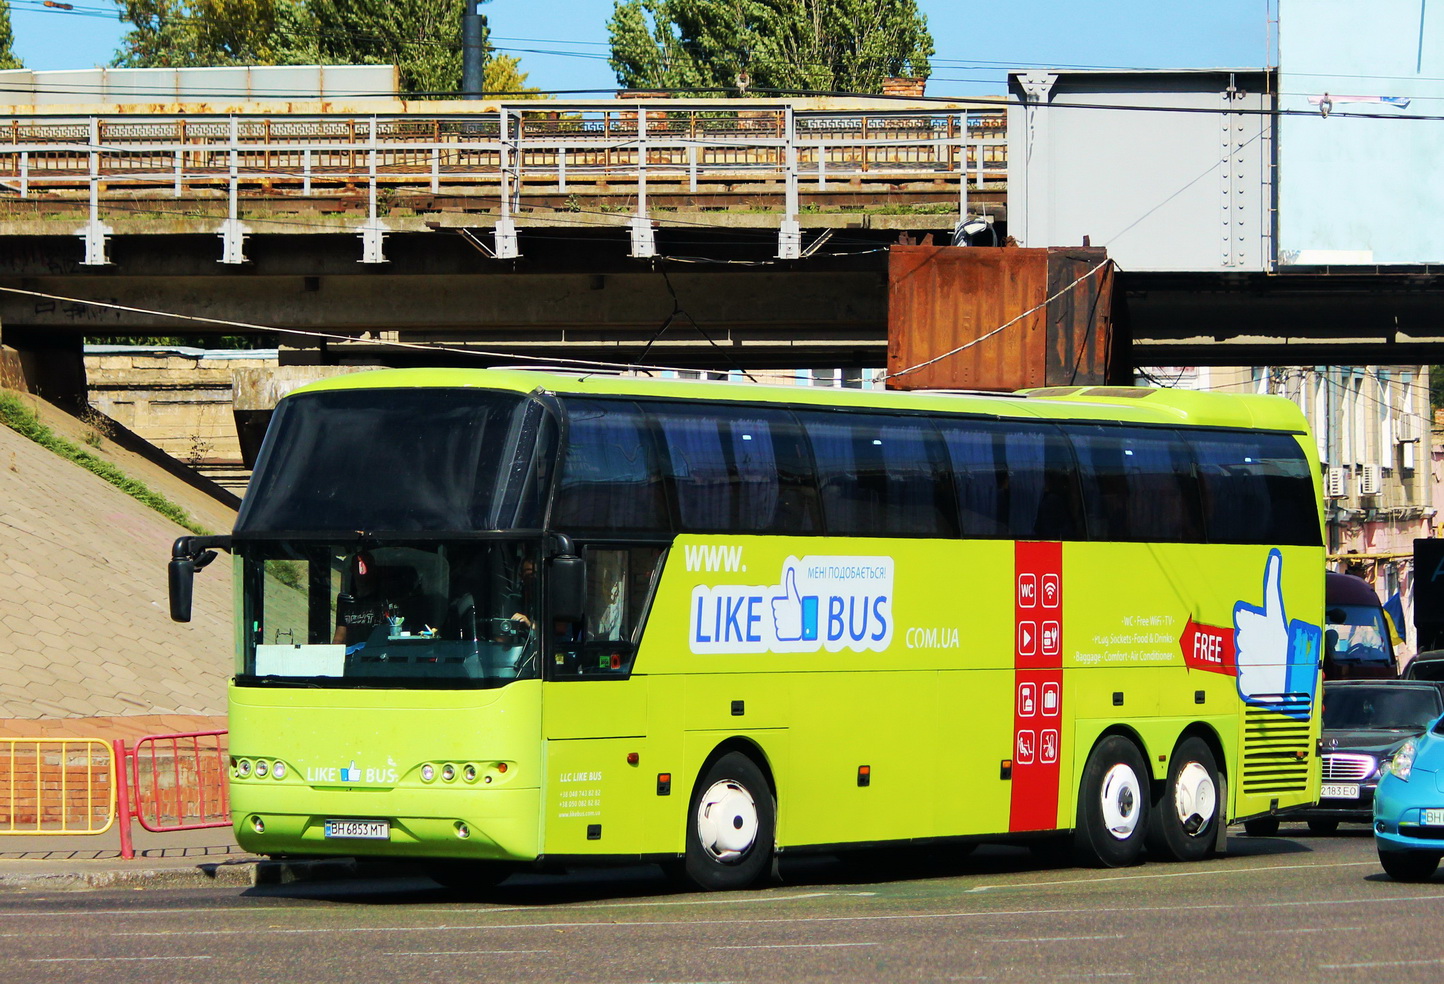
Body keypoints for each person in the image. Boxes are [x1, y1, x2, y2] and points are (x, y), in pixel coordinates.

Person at [333, 552, 393, 646]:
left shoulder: (383, 601)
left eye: (367, 565)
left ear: (373, 569)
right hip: (352, 657)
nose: (362, 570)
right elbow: (339, 638)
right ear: (351, 570)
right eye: (358, 566)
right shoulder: (346, 602)